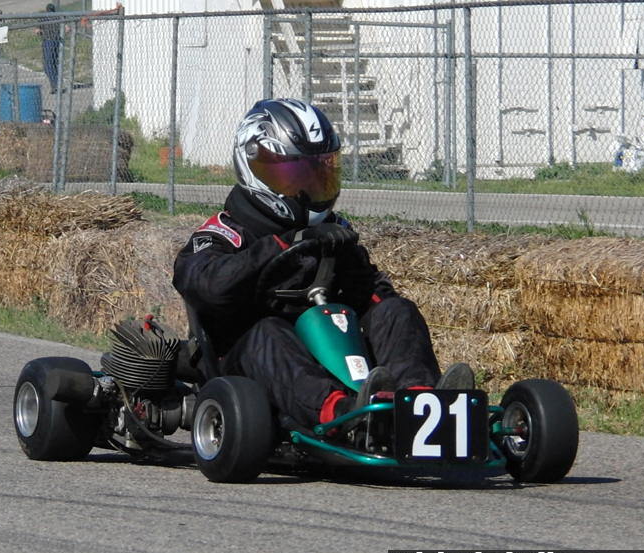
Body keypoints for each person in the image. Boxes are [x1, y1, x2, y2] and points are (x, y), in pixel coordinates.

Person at [173, 98, 472, 435]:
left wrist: (354, 269)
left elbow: (371, 294)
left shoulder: (332, 230)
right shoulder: (225, 233)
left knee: (395, 310)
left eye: (318, 173)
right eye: (295, 175)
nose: (309, 187)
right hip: (248, 365)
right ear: (254, 168)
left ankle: (419, 402)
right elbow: (205, 285)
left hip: (327, 355)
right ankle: (339, 412)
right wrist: (278, 246)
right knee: (268, 331)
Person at [35, 3, 62, 94]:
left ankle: (55, 85)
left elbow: (37, 31)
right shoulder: (58, 17)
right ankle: (55, 84)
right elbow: (66, 28)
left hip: (48, 42)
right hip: (57, 42)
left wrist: (41, 31)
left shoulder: (44, 17)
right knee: (54, 64)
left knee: (48, 65)